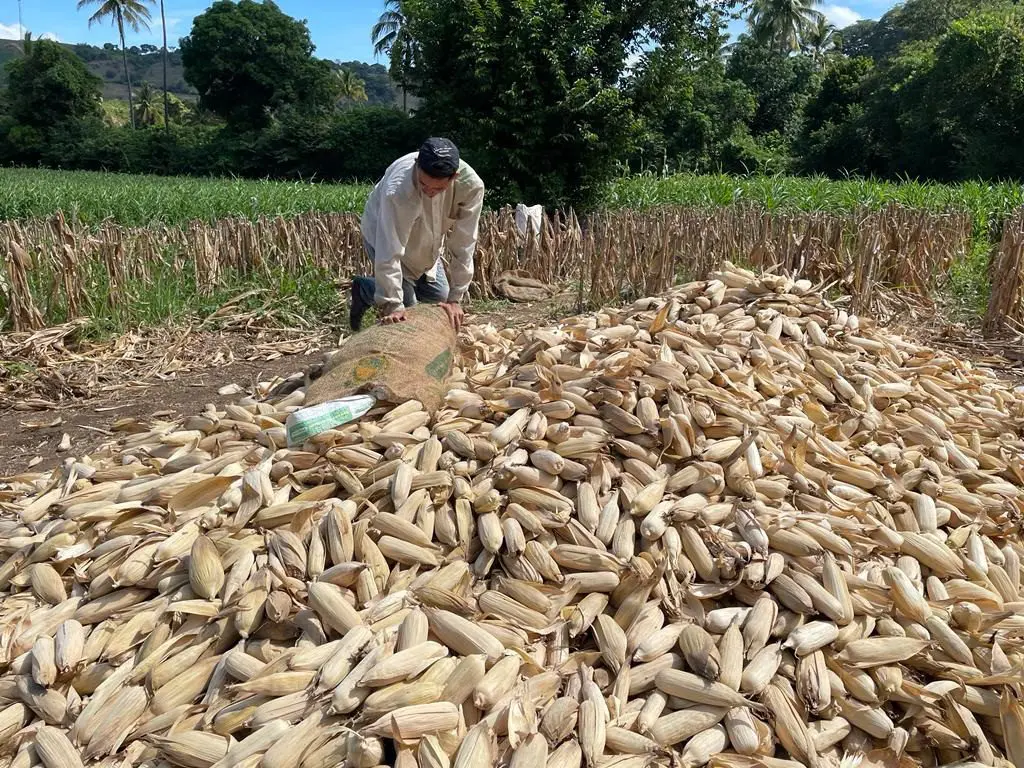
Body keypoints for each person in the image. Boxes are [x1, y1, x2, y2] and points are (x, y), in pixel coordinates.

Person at [351, 137, 485, 332]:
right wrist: (392, 304)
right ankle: (366, 290)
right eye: (423, 184)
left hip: (427, 242)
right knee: (408, 309)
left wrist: (455, 299)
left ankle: (377, 287)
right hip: (384, 235)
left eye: (438, 188)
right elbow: (389, 249)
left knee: (439, 299)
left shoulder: (471, 187)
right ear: (416, 165)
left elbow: (464, 243)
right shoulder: (397, 190)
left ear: (454, 177)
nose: (429, 191)